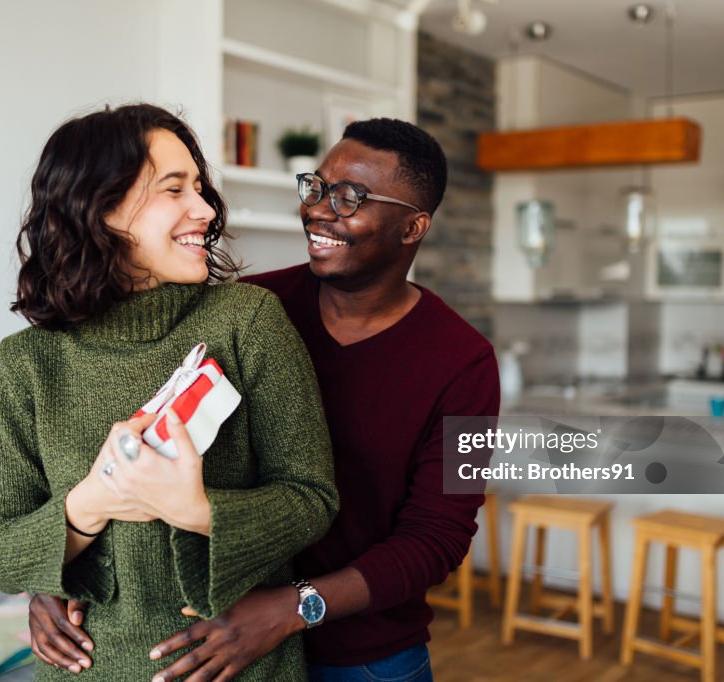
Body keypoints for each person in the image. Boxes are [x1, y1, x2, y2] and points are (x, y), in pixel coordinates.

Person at [28, 118, 499, 681]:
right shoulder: (250, 310)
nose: (321, 209)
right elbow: (122, 450)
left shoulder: (466, 363)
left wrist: (293, 607)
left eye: (351, 197)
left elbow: (437, 539)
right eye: (317, 186)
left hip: (368, 657)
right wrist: (52, 569)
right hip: (228, 640)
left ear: (412, 226)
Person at [0, 103, 338, 681]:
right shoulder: (27, 364)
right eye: (174, 189)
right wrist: (90, 505)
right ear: (101, 209)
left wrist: (197, 511)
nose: (204, 208)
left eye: (199, 186)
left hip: (242, 669)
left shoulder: (248, 323)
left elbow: (312, 498)